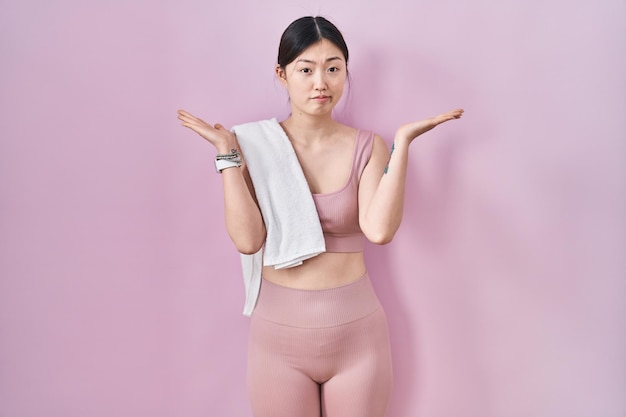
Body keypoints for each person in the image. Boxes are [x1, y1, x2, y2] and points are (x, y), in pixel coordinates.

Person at [177, 15, 463, 417]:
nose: (321, 83)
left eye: (333, 69)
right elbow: (248, 241)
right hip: (277, 342)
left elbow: (379, 230)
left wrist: (402, 144)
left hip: (358, 337)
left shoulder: (367, 146)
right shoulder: (252, 144)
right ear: (282, 74)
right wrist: (227, 155)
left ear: (346, 72)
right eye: (306, 70)